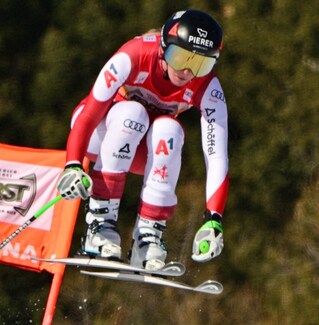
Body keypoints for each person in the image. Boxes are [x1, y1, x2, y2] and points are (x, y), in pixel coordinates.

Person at [56, 9, 228, 271]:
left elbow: (216, 155)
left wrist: (213, 218)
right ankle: (99, 226)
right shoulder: (133, 55)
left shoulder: (208, 87)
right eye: (179, 57)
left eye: (200, 64)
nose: (186, 71)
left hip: (140, 151)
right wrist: (73, 165)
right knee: (131, 112)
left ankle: (148, 238)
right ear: (162, 48)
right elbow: (88, 115)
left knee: (171, 130)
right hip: (96, 134)